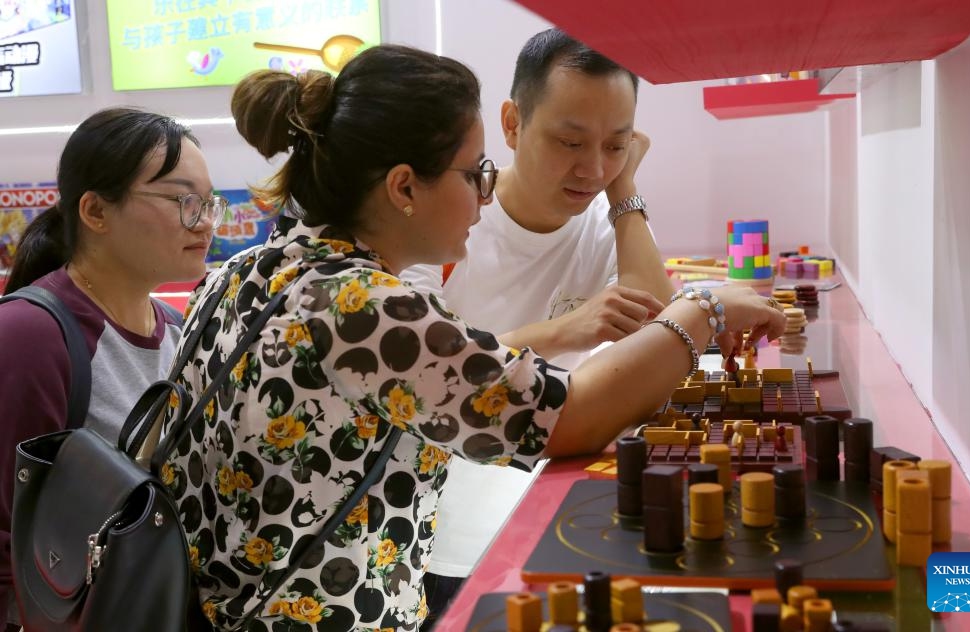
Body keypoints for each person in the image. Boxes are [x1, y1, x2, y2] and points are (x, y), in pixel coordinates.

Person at [168, 44, 784, 631]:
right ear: (405, 187)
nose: (483, 196)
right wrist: (704, 309)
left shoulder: (241, 274)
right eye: (473, 174)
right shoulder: (363, 307)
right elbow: (566, 416)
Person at [398, 28, 673, 620]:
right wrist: (565, 330)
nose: (592, 168)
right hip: (434, 540)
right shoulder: (442, 223)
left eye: (616, 145)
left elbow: (661, 337)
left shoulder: (609, 224)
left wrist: (625, 187)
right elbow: (418, 368)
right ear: (513, 124)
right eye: (570, 141)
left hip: (549, 519)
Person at [0, 107, 221, 630]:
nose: (206, 221)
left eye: (208, 202)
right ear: (96, 211)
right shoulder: (28, 335)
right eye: (181, 200)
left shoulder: (178, 330)